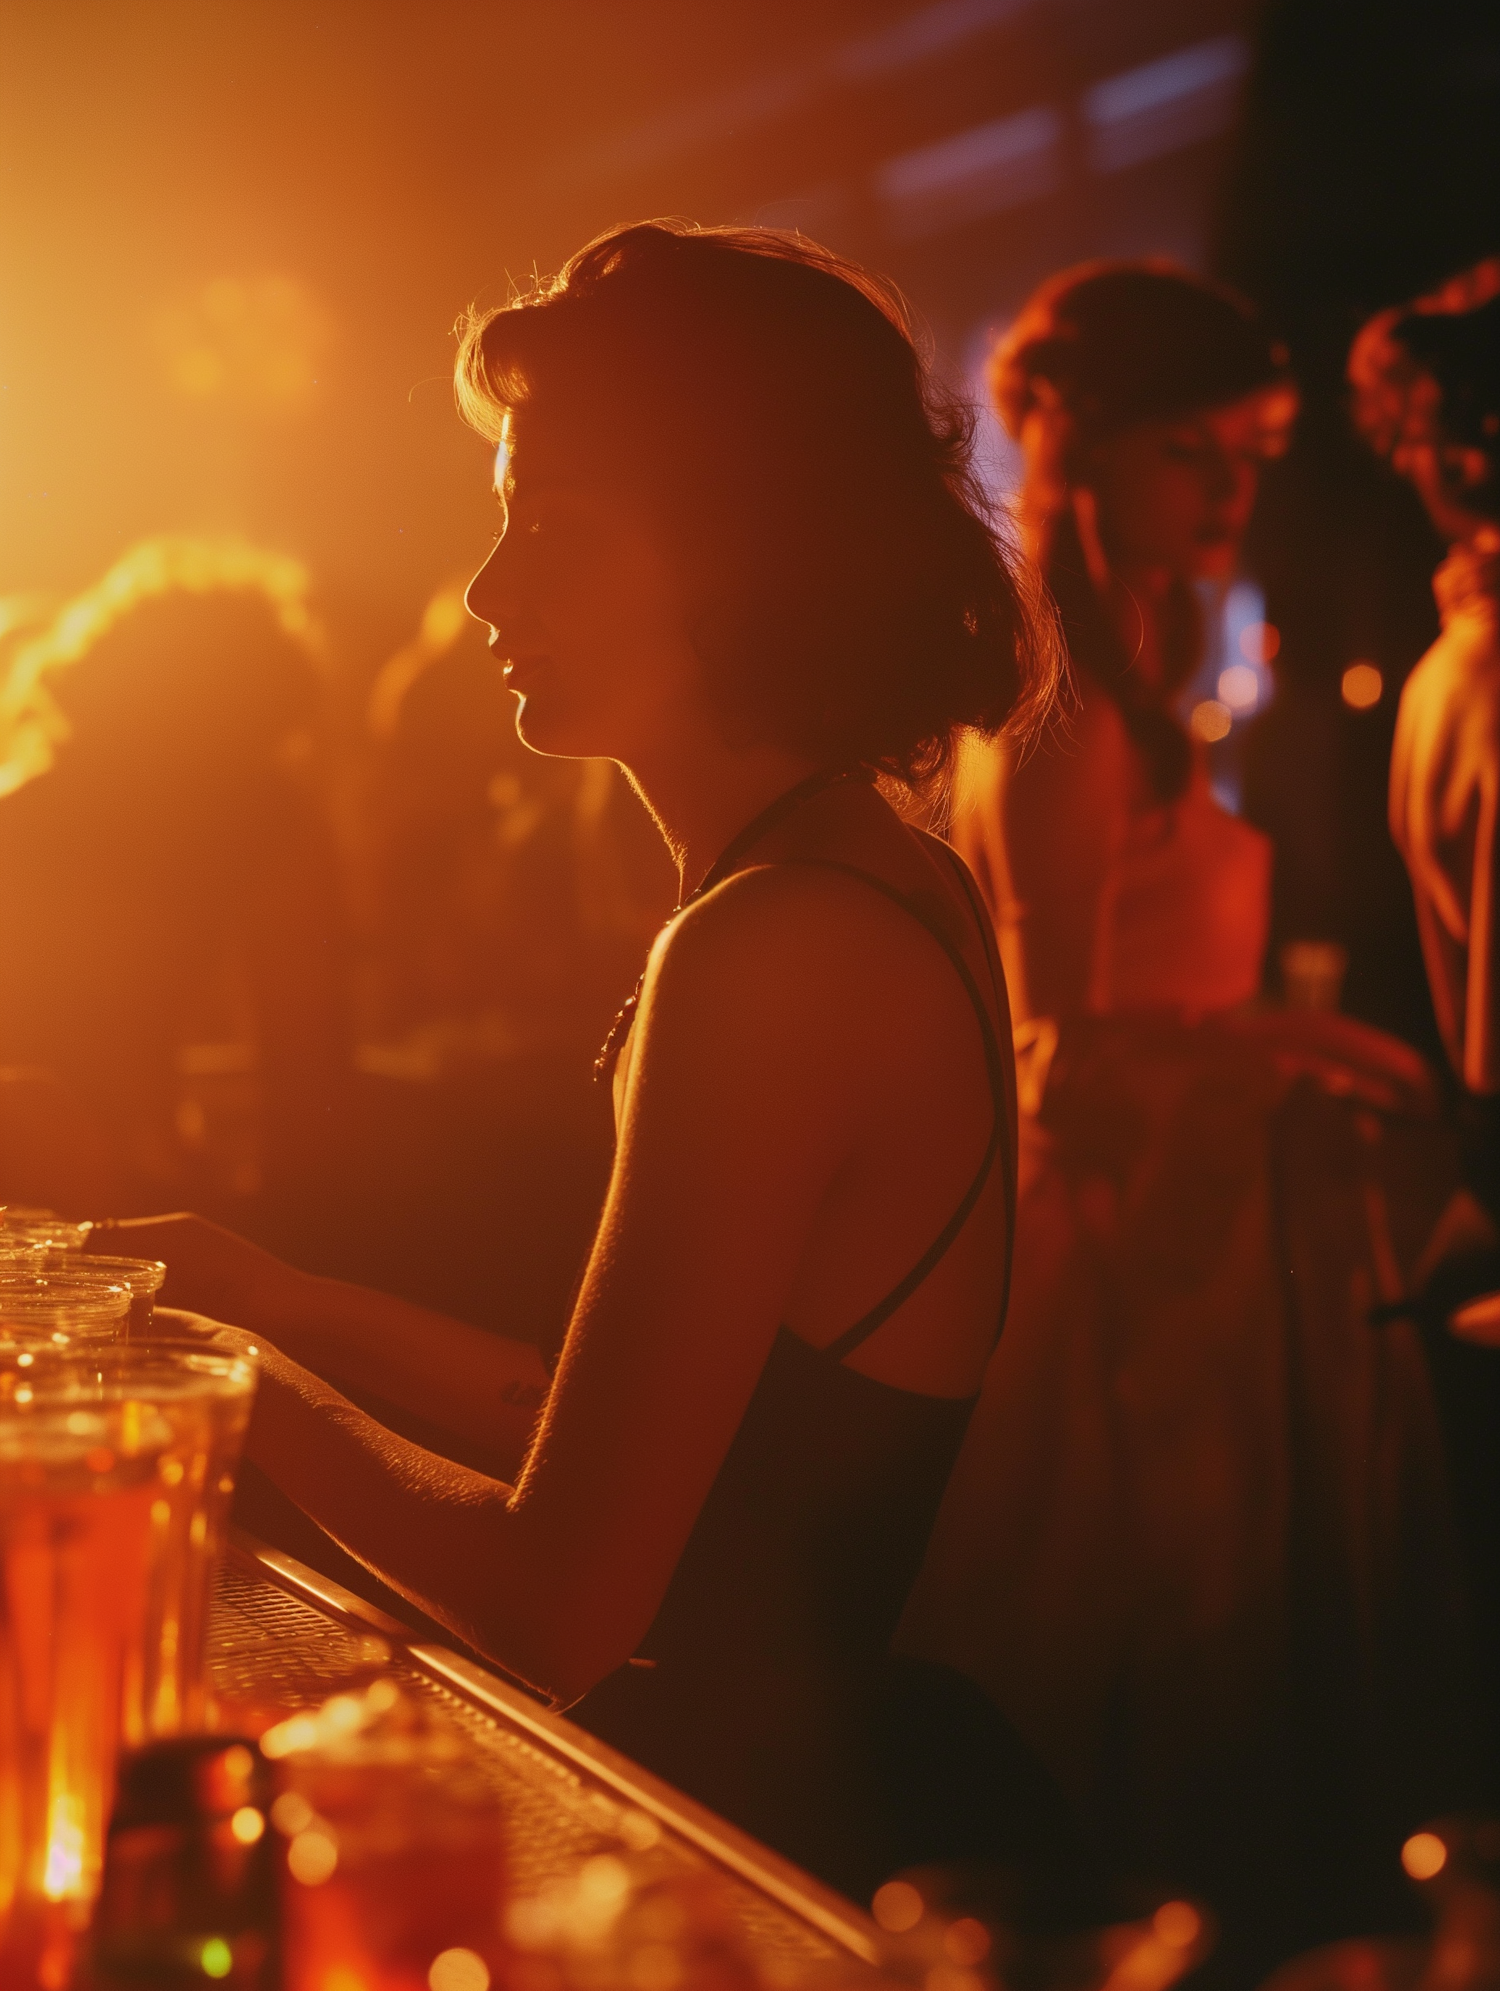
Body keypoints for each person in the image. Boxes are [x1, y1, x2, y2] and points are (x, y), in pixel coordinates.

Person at [103, 221, 1064, 1899]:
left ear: (746, 551)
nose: (486, 591)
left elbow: (564, 1594)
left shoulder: (774, 944)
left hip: (741, 1831)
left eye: (549, 526)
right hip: (790, 1768)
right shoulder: (852, 871)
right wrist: (268, 1291)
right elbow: (607, 1418)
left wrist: (218, 1393)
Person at [901, 262, 1471, 1961]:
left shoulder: (1138, 670)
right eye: (1191, 453)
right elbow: (1064, 1052)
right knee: (1170, 1643)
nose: (1232, 493)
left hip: (1210, 1214)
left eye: (1254, 453)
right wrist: (1314, 1056)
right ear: (1081, 446)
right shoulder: (1067, 704)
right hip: (1134, 1238)